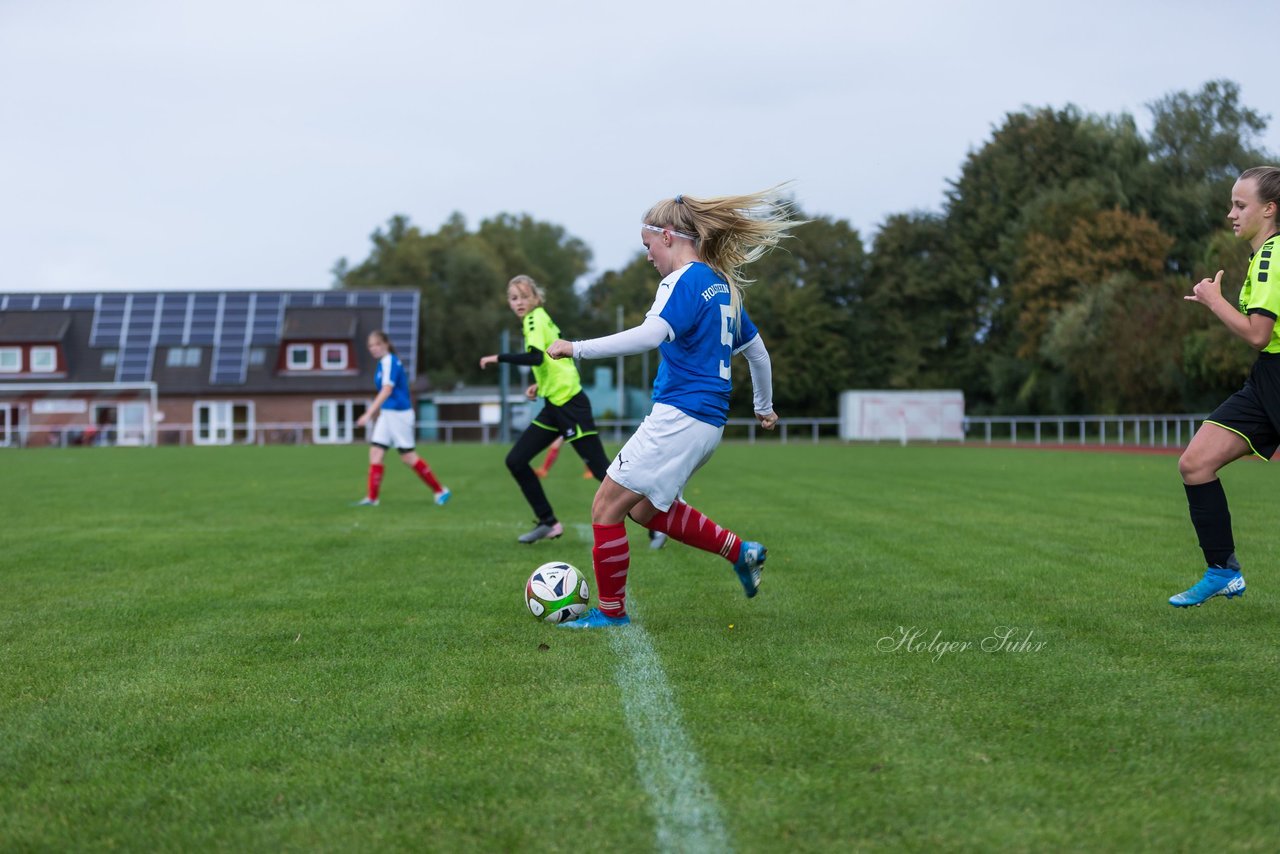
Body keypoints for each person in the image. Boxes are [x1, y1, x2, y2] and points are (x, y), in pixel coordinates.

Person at [546, 187, 803, 628]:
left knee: (605, 507)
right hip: (706, 424)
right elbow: (758, 353)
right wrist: (764, 407)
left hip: (680, 416)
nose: (648, 257)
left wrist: (576, 348)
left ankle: (611, 613)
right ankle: (742, 552)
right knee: (646, 511)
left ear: (667, 236)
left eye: (648, 247)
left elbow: (649, 336)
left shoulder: (683, 281)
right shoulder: (721, 285)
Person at [1172, 165, 1280, 607]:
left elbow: (1257, 332)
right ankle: (1222, 570)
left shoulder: (1275, 254)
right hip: (1266, 378)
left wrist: (1215, 302)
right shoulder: (1263, 255)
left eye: (1240, 205)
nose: (1231, 213)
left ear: (1269, 209)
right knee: (1195, 464)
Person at [480, 275, 613, 543]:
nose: (519, 302)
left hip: (569, 404)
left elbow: (535, 356)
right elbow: (552, 362)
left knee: (604, 473)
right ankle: (548, 522)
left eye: (524, 296)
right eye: (513, 298)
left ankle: (656, 523)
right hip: (554, 403)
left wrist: (498, 357)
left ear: (536, 298)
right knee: (516, 461)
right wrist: (539, 386)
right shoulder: (539, 318)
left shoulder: (533, 319)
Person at [353, 330, 451, 507]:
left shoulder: (390, 361)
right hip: (387, 413)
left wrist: (368, 413)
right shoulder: (383, 363)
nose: (373, 348)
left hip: (399, 414)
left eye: (376, 344)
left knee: (408, 457)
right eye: (370, 346)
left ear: (386, 344)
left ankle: (440, 490)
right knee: (375, 452)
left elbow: (387, 390)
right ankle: (372, 498)